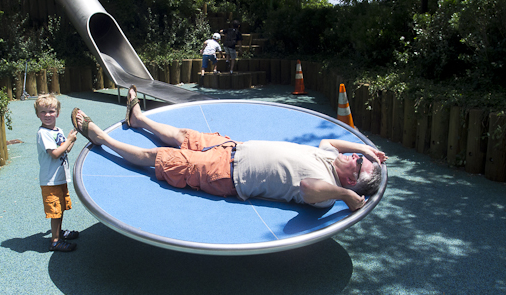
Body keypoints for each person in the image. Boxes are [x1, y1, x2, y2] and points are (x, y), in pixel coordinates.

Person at [72, 87, 387, 211]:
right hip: (231, 147)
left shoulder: (327, 193)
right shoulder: (330, 157)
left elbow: (307, 187)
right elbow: (331, 142)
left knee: (160, 158)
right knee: (183, 135)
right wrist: (366, 149)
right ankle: (139, 119)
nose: (356, 158)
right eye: (360, 157)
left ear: (350, 181)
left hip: (225, 174)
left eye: (359, 164)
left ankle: (103, 140)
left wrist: (346, 197)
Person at [35, 94, 79, 252]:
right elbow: (54, 153)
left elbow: (65, 150)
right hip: (50, 180)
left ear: (57, 113)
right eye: (43, 112)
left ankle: (58, 232)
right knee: (55, 211)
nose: (47, 115)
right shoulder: (43, 133)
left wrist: (71, 139)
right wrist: (68, 141)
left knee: (60, 209)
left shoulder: (58, 131)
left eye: (51, 111)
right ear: (38, 114)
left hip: (60, 178)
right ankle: (55, 241)